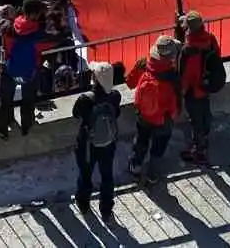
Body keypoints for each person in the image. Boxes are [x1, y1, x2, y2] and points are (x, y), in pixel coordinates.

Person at [126, 35, 181, 185]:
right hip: (163, 120)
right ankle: (152, 174)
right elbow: (174, 104)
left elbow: (130, 82)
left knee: (141, 142)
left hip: (144, 115)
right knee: (158, 148)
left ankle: (135, 167)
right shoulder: (173, 77)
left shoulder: (143, 64)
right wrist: (173, 116)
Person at [0, 0, 47, 139]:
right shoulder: (39, 34)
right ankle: (27, 127)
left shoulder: (9, 28)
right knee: (28, 100)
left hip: (10, 70)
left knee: (5, 100)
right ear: (36, 14)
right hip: (30, 73)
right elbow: (56, 40)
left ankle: (2, 128)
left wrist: (0, 13)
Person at [72, 61, 121, 218]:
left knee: (85, 174)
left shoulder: (85, 99)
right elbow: (117, 114)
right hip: (108, 143)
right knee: (107, 175)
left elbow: (76, 115)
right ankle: (106, 209)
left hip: (88, 144)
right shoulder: (115, 96)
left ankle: (83, 203)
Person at [177, 11, 225, 166]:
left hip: (194, 90)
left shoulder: (189, 49)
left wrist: (181, 92)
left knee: (195, 120)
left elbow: (187, 76)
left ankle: (199, 151)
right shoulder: (209, 39)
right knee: (205, 115)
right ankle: (203, 140)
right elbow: (217, 55)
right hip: (207, 86)